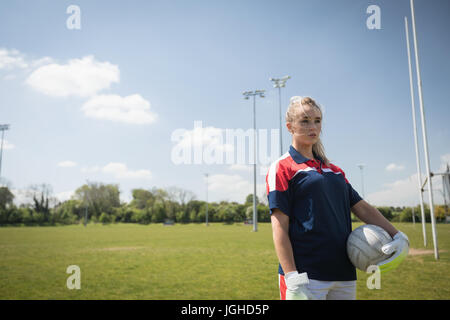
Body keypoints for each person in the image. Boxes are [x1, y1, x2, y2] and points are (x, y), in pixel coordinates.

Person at [266, 96, 409, 300]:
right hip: (306, 277)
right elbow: (279, 226)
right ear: (290, 127)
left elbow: (363, 209)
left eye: (317, 120)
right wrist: (291, 277)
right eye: (304, 121)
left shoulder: (335, 171)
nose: (312, 126)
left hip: (343, 275)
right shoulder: (282, 167)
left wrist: (397, 235)